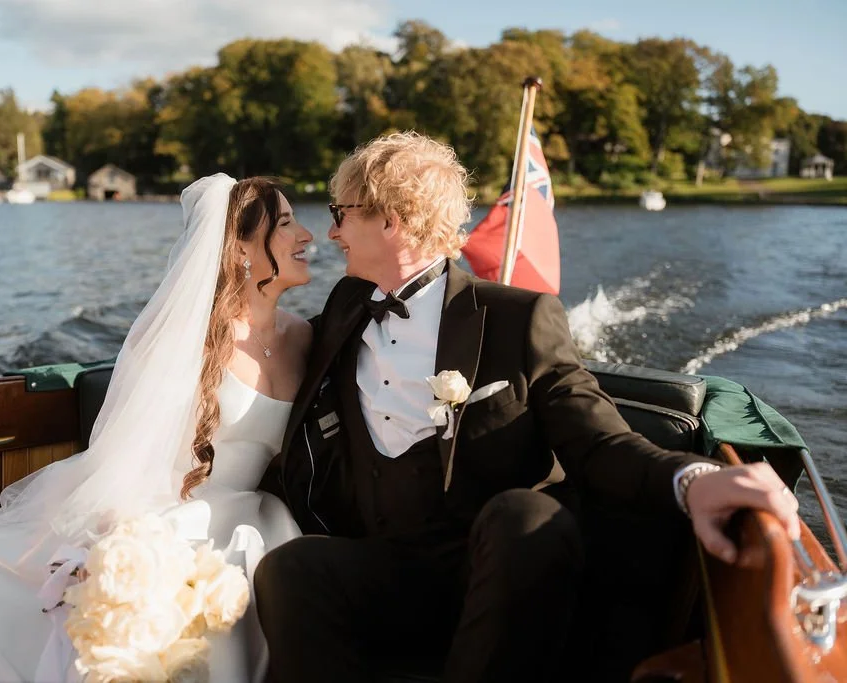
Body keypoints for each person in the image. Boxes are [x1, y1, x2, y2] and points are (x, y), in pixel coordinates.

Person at [254, 132, 802, 683]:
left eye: (341, 214)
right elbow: (266, 344)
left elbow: (599, 441)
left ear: (390, 220)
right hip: (390, 565)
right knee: (291, 569)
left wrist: (694, 479)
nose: (330, 232)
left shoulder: (520, 318)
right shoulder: (346, 306)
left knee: (526, 517)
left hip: (498, 570)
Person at [0, 174, 313, 682]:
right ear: (239, 249)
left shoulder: (307, 338)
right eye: (285, 223)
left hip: (258, 517)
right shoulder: (184, 342)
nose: (307, 235)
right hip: (173, 511)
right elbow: (130, 450)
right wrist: (116, 540)